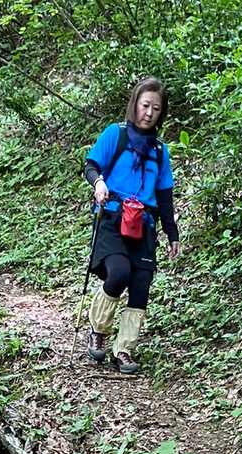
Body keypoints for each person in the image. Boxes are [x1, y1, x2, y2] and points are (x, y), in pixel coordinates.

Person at [83, 78, 180, 375]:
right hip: (112, 218)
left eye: (156, 108)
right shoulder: (116, 133)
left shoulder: (160, 151)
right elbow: (91, 165)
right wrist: (99, 183)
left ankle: (124, 349)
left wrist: (172, 234)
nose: (149, 113)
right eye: (145, 105)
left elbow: (164, 195)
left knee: (140, 286)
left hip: (144, 225)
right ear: (135, 104)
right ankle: (99, 329)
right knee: (119, 273)